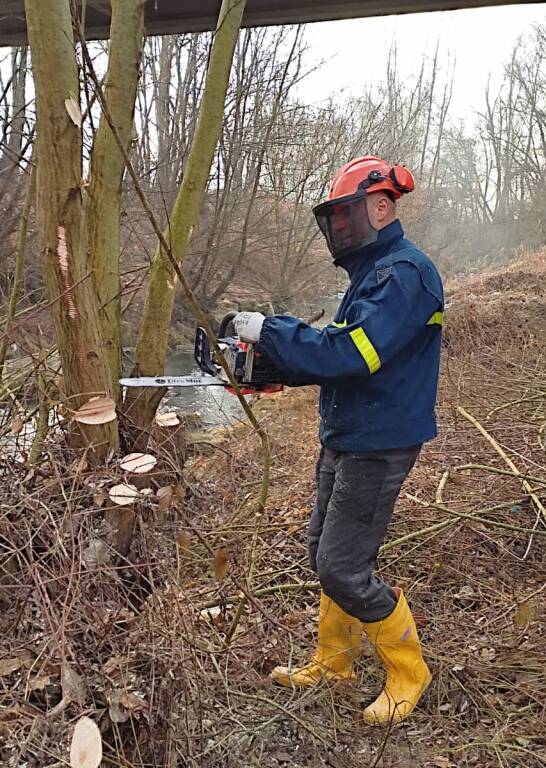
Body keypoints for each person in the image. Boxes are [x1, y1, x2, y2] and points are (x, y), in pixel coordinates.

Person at [231, 156, 444, 726]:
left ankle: (408, 671)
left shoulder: (405, 274)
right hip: (349, 432)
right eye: (335, 219)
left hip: (381, 439)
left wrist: (271, 329)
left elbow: (353, 353)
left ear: (380, 207)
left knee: (343, 567)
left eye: (346, 215)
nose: (339, 229)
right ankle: (334, 661)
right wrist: (272, 368)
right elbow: (345, 359)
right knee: (322, 552)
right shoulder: (373, 276)